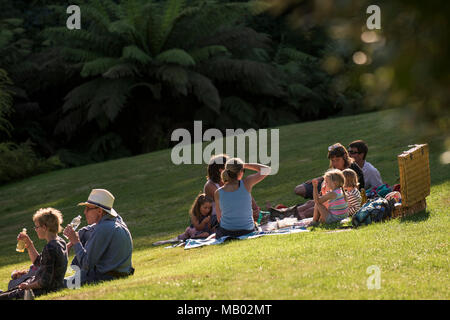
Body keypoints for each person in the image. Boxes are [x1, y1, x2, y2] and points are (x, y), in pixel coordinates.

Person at [63, 189, 134, 286]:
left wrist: (75, 242)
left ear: (100, 211)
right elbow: (89, 229)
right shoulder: (115, 221)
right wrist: (76, 236)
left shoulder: (103, 228)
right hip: (119, 273)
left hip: (104, 277)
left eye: (88, 209)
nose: (84, 212)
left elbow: (86, 264)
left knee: (55, 285)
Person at [0, 208, 68, 300]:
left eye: (37, 227)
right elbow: (38, 262)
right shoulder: (60, 242)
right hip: (50, 288)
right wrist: (29, 244)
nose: (35, 230)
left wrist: (28, 286)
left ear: (44, 227)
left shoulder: (50, 247)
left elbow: (44, 282)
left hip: (42, 291)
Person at [214, 158, 271, 238]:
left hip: (226, 232)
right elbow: (267, 169)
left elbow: (219, 218)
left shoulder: (217, 192)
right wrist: (245, 164)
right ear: (241, 172)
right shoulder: (247, 183)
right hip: (247, 230)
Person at [204, 154, 261, 225]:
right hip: (216, 218)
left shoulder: (231, 180)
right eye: (228, 166)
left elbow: (245, 193)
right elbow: (230, 203)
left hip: (233, 215)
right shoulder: (210, 186)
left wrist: (255, 209)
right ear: (221, 170)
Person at [294, 143, 364, 200]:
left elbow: (350, 192)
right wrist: (320, 178)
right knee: (299, 189)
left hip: (342, 197)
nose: (335, 163)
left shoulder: (352, 171)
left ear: (345, 156)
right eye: (333, 160)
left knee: (313, 205)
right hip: (329, 187)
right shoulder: (336, 168)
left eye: (337, 160)